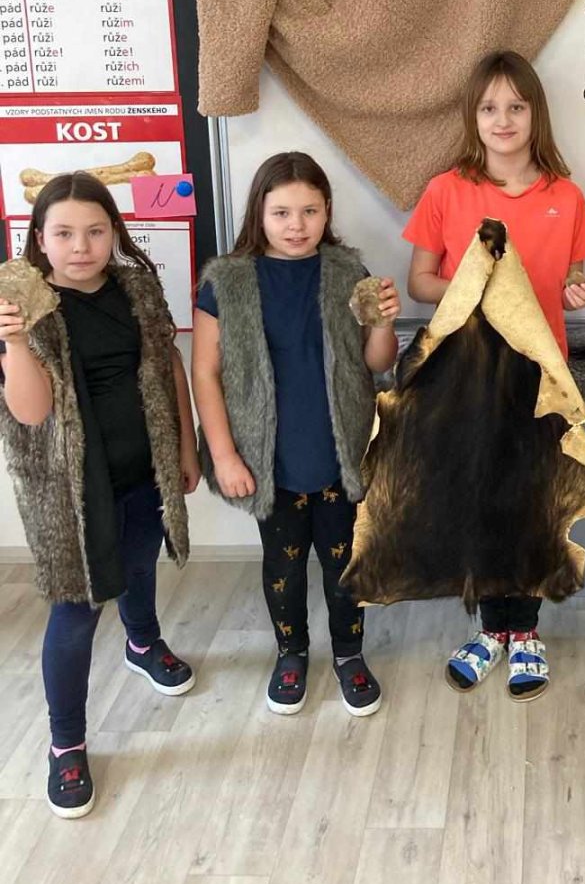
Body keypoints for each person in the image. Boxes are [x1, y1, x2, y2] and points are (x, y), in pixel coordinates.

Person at [0, 173, 200, 818]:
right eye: (63, 233)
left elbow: (168, 366)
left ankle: (141, 642)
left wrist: (187, 446)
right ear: (39, 238)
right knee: (77, 610)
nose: (80, 246)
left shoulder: (136, 288)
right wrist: (13, 340)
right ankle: (66, 743)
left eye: (94, 231)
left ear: (115, 233)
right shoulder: (26, 305)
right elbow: (32, 413)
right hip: (69, 492)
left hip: (144, 469)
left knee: (139, 560)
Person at [404, 50, 585, 701]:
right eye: (489, 107)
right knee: (482, 501)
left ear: (535, 113)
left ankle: (527, 633)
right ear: (473, 116)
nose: (503, 119)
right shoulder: (446, 190)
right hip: (467, 374)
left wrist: (576, 291)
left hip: (541, 376)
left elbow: (571, 280)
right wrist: (476, 287)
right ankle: (492, 629)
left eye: (516, 106)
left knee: (535, 504)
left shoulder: (566, 196)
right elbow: (420, 281)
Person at [192, 152, 399, 716]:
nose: (296, 225)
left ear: (327, 210)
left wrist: (383, 322)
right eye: (281, 212)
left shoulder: (346, 273)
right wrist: (224, 454)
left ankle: (349, 654)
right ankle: (292, 653)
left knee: (344, 563)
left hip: (338, 452)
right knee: (282, 566)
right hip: (269, 457)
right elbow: (205, 373)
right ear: (259, 214)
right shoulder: (227, 281)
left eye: (309, 210)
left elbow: (376, 362)